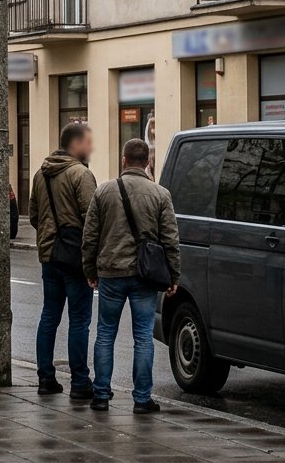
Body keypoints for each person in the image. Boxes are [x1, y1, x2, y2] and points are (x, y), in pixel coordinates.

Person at [81, 138, 180, 413]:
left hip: (110, 272)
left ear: (124, 161)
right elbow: (170, 239)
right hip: (144, 275)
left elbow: (89, 237)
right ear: (147, 162)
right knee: (143, 337)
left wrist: (90, 270)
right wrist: (173, 275)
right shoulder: (160, 194)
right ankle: (142, 399)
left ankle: (100, 395)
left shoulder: (104, 192)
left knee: (105, 334)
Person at [30, 121, 97, 398]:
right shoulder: (81, 175)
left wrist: (50, 238)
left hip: (49, 256)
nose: (91, 147)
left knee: (49, 315)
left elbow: (34, 215)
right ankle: (80, 382)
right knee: (79, 320)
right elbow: (93, 220)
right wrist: (92, 260)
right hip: (75, 258)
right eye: (88, 142)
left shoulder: (40, 174)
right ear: (76, 143)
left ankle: (46, 378)